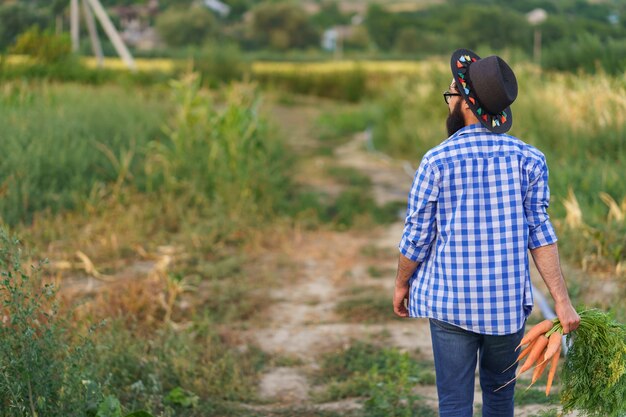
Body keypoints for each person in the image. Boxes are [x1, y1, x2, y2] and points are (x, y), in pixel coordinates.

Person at [392, 49, 581, 417]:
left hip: (449, 304)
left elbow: (416, 237)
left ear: (465, 104)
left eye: (450, 95)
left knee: (454, 403)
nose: (448, 103)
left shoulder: (436, 161)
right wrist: (562, 300)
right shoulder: (529, 159)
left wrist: (402, 283)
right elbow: (540, 234)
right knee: (499, 400)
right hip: (506, 309)